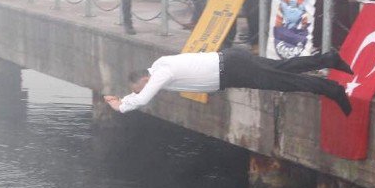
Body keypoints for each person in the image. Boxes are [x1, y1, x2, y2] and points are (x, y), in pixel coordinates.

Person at [103, 49, 354, 115]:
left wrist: (121, 106)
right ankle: (328, 58)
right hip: (230, 62)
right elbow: (143, 93)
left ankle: (332, 90)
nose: (146, 89)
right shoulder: (158, 66)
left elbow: (145, 97)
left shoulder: (161, 73)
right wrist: (123, 98)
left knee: (285, 81)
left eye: (141, 86)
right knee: (282, 69)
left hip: (232, 69)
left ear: (145, 78)